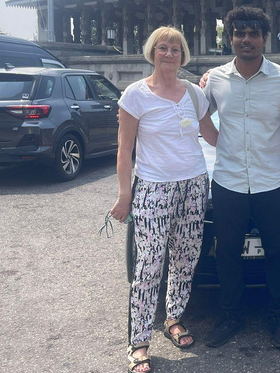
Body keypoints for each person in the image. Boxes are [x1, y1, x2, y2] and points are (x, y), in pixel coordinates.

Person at [110, 26, 219, 373]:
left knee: (186, 258)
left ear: (183, 54)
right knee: (149, 265)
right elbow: (125, 149)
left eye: (175, 48)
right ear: (151, 52)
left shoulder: (193, 93)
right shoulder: (135, 95)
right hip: (154, 187)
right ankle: (139, 341)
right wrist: (124, 195)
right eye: (162, 48)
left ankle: (174, 318)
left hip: (194, 184)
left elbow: (213, 136)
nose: (169, 53)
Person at [201, 6, 280, 349]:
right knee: (227, 252)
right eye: (239, 32)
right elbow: (199, 113)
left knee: (277, 253)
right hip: (228, 180)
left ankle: (278, 317)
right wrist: (216, 140)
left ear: (264, 38)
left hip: (272, 181)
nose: (247, 39)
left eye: (254, 33)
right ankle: (230, 314)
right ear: (229, 37)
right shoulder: (214, 79)